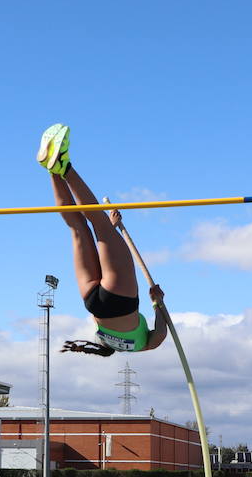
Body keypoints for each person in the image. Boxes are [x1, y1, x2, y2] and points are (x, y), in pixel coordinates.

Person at [37, 124, 170, 357]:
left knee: (99, 223)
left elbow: (159, 334)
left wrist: (157, 302)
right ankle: (52, 171)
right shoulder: (107, 340)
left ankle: (64, 166)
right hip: (92, 301)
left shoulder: (143, 346)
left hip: (122, 300)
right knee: (77, 228)